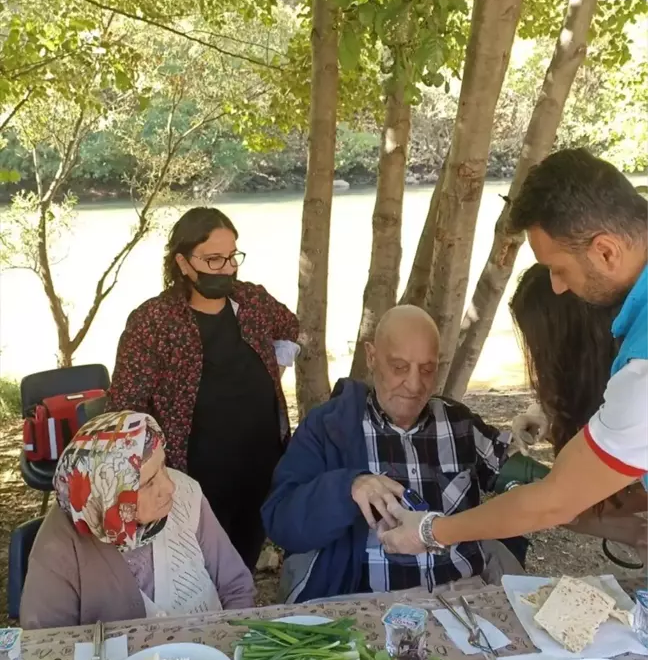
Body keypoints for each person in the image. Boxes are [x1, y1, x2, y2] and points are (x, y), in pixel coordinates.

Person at [381, 150, 648, 564]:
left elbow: (554, 500)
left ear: (606, 252)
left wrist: (432, 530)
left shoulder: (643, 372)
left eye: (558, 269)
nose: (557, 287)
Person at [262, 305, 525, 603]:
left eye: (427, 370)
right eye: (399, 367)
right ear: (372, 357)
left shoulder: (460, 424)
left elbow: (529, 481)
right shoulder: (330, 428)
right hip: (370, 603)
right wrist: (347, 487)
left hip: (464, 597)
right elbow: (281, 521)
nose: (414, 385)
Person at [108, 207, 299, 572]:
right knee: (196, 569)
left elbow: (288, 324)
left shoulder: (252, 301)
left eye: (232, 257)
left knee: (241, 559)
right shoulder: (154, 322)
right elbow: (124, 409)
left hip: (261, 467)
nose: (227, 268)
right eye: (213, 259)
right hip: (191, 477)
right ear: (183, 262)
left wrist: (278, 361)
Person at [20, 412, 255, 629]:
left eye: (164, 465)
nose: (170, 486)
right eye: (148, 483)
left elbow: (236, 586)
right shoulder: (58, 548)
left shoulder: (186, 493)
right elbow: (47, 643)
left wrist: (228, 647)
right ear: (108, 497)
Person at [510, 264, 648, 557]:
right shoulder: (629, 355)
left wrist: (432, 531)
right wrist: (545, 410)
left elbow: (559, 503)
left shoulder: (638, 383)